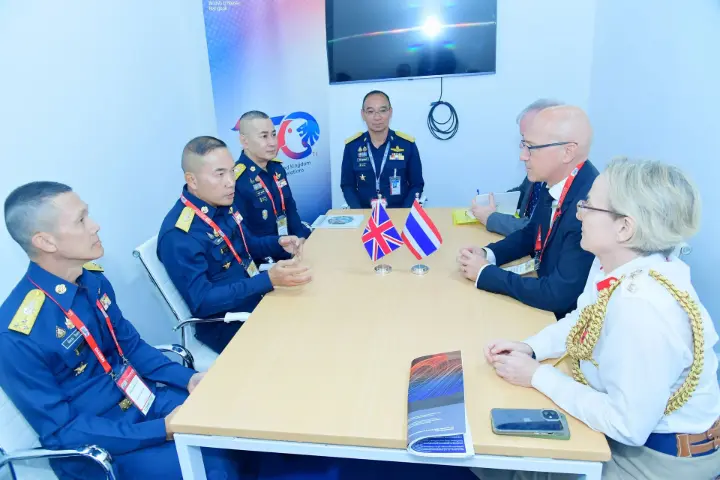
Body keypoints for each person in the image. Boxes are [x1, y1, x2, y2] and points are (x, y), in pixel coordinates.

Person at [476, 158, 720, 479]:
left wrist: (537, 376)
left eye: (588, 206)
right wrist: (531, 348)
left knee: (511, 467)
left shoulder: (644, 308)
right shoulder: (616, 262)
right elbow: (583, 318)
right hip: (633, 434)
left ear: (624, 227)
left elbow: (626, 425)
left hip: (657, 460)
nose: (579, 214)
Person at [0, 181, 243, 479]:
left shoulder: (92, 281)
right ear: (46, 242)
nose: (95, 226)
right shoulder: (17, 334)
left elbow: (130, 346)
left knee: (233, 419)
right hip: (102, 445)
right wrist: (161, 430)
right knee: (212, 464)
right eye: (81, 220)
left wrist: (189, 378)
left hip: (144, 400)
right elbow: (64, 430)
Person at [157, 136, 311, 354]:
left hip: (255, 297)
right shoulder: (179, 235)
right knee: (300, 343)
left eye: (231, 171)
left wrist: (278, 244)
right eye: (220, 174)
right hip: (227, 323)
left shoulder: (222, 204)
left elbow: (249, 244)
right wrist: (267, 280)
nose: (231, 182)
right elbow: (202, 301)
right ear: (192, 180)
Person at [457, 105, 598, 319]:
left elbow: (558, 294)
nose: (523, 156)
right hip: (542, 298)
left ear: (567, 152)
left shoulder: (589, 206)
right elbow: (531, 234)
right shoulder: (556, 181)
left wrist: (486, 273)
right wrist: (488, 254)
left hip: (563, 321)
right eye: (523, 145)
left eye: (531, 147)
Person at [470, 99, 565, 236]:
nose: (523, 156)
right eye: (523, 142)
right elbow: (523, 193)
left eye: (530, 144)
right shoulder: (540, 165)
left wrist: (491, 218)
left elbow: (538, 231)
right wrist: (490, 202)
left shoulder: (570, 184)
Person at [232, 110, 312, 245]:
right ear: (244, 141)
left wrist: (300, 237)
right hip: (266, 251)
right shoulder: (237, 181)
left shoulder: (277, 168)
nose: (273, 142)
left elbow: (290, 207)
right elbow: (245, 237)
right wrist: (281, 245)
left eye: (273, 135)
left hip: (291, 242)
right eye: (264, 136)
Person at [340, 90, 424, 209]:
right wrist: (359, 212)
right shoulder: (352, 147)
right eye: (370, 111)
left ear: (390, 112)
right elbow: (347, 185)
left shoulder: (407, 145)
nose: (377, 117)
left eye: (382, 110)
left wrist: (404, 212)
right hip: (365, 212)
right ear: (363, 114)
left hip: (399, 211)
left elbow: (416, 184)